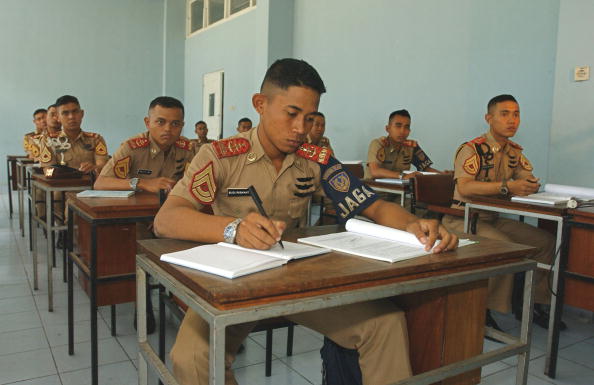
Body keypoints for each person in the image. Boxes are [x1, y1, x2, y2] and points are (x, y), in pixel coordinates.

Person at [154, 58, 458, 385]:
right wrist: (234, 229)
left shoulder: (314, 159)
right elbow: (166, 219)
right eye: (292, 114)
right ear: (261, 104)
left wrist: (414, 224)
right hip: (234, 281)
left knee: (384, 323)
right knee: (191, 357)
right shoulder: (221, 155)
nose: (301, 128)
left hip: (296, 281)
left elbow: (371, 205)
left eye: (309, 117)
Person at [441, 94, 560, 330]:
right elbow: (464, 187)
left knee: (546, 241)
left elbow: (526, 177)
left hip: (492, 219)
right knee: (505, 246)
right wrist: (507, 186)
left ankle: (532, 304)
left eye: (516, 114)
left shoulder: (513, 152)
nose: (512, 120)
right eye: (504, 114)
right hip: (462, 218)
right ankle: (483, 312)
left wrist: (529, 184)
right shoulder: (471, 149)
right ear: (489, 118)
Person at [94, 96, 193, 193]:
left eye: (175, 124)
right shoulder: (132, 147)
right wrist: (143, 183)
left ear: (182, 126)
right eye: (160, 122)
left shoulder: (187, 149)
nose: (168, 129)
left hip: (172, 205)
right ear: (147, 123)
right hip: (136, 206)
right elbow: (100, 183)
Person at [364, 109, 445, 180]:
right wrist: (402, 176)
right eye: (398, 126)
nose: (402, 131)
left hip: (398, 192)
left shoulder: (411, 147)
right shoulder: (378, 144)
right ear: (388, 129)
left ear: (409, 131)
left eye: (406, 127)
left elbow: (426, 169)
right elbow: (375, 171)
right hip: (374, 192)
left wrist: (446, 175)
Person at [39, 95, 109, 175]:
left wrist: (94, 168)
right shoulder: (48, 140)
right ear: (58, 118)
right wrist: (69, 173)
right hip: (62, 186)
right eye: (65, 113)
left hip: (90, 185)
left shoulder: (96, 139)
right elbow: (47, 171)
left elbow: (104, 166)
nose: (71, 117)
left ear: (82, 114)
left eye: (75, 112)